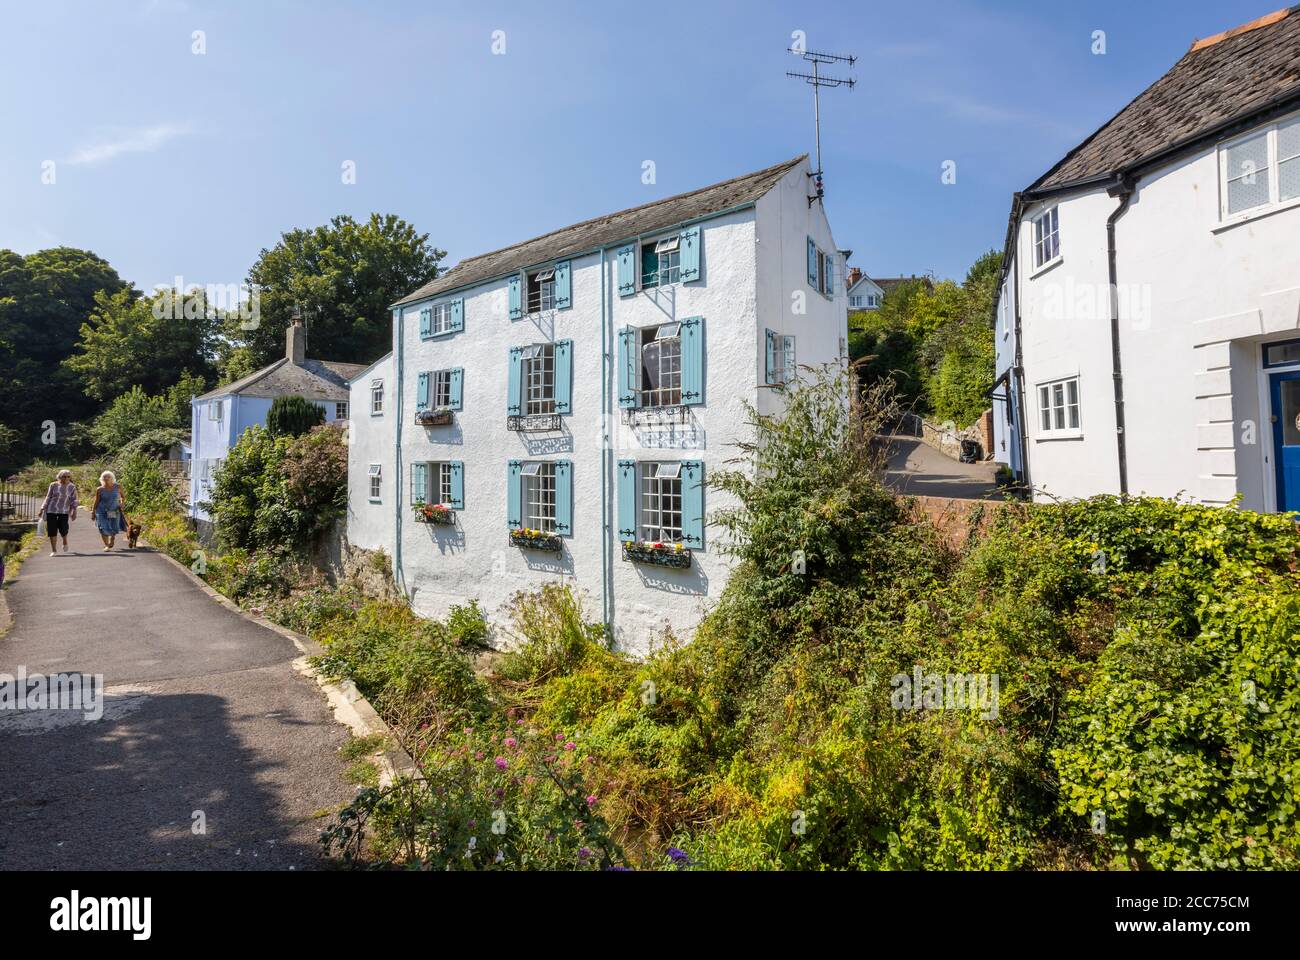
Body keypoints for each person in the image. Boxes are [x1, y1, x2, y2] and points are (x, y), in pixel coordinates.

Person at [37, 469, 78, 556]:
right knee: (52, 530)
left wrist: (74, 511)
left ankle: (65, 540)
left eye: (68, 476)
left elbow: (74, 500)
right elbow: (48, 497)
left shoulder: (72, 487)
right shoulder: (53, 485)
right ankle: (54, 550)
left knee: (63, 528)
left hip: (64, 510)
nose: (66, 478)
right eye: (64, 476)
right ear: (59, 477)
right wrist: (42, 509)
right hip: (51, 510)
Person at [90, 470, 128, 551]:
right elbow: (96, 501)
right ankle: (106, 545)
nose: (106, 479)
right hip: (102, 510)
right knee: (102, 527)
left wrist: (122, 503)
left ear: (112, 478)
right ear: (102, 479)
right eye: (104, 478)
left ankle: (112, 538)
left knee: (113, 526)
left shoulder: (117, 486)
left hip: (113, 510)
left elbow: (123, 497)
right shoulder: (100, 489)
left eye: (108, 477)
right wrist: (93, 512)